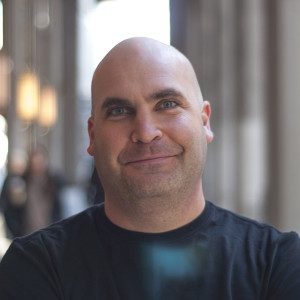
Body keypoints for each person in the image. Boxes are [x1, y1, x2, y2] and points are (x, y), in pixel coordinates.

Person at [0, 37, 299, 299]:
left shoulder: (278, 263)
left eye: (167, 104)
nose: (145, 132)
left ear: (204, 121)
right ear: (92, 136)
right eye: (119, 111)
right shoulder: (35, 266)